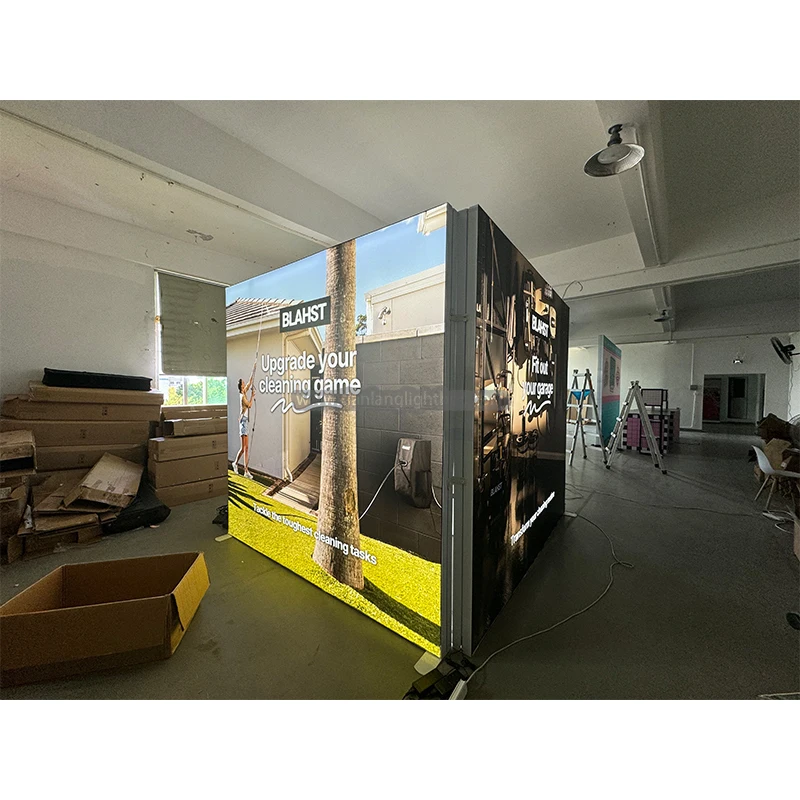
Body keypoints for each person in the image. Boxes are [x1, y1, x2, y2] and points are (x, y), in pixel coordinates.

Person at [233, 371, 255, 478]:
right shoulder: (242, 396)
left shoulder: (244, 392)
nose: (244, 383)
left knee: (246, 448)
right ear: (241, 386)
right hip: (243, 422)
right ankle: (235, 463)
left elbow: (250, 382)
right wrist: (253, 396)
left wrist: (253, 371)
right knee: (243, 448)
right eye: (243, 383)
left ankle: (246, 470)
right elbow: (249, 405)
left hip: (245, 421)